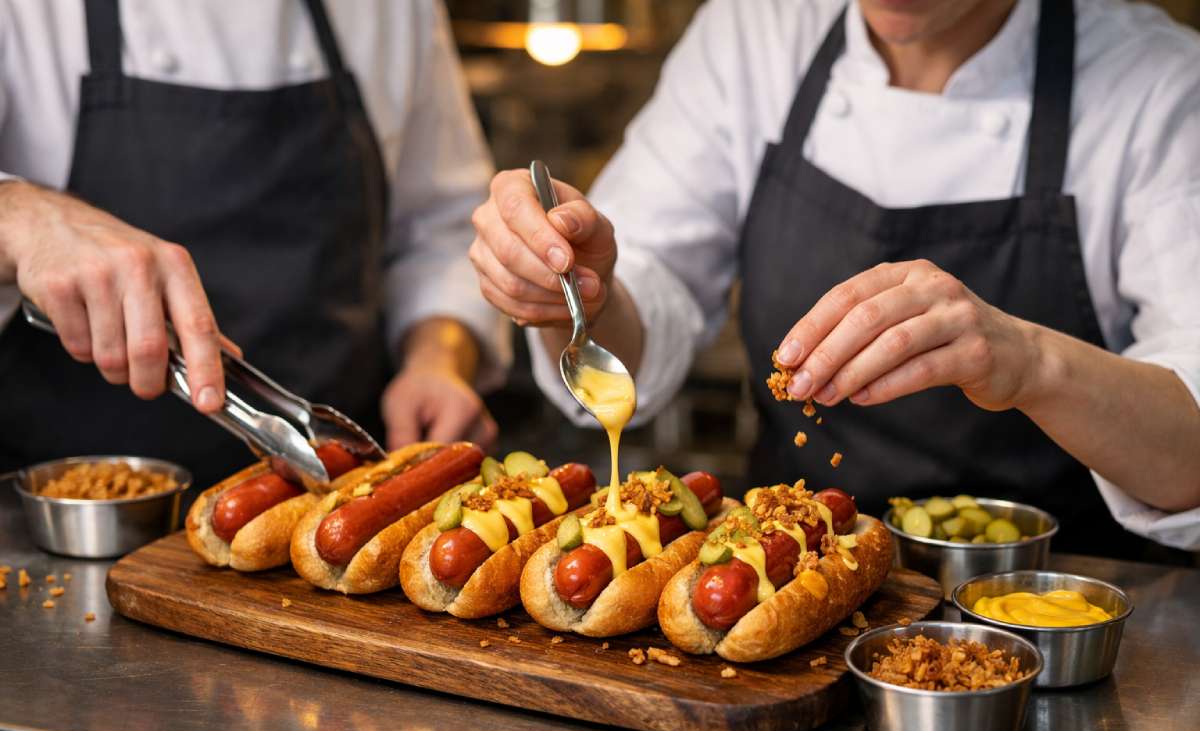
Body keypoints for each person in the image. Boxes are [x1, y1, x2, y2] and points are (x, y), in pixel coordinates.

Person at [468, 0, 1200, 557]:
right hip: (788, 561)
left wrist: (1031, 363)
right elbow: (641, 314)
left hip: (1061, 602)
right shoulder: (757, 31)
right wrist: (573, 295)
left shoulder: (1160, 84)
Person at [0, 0, 507, 486]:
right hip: (55, 518)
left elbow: (441, 225)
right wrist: (24, 217)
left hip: (341, 482)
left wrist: (437, 360)